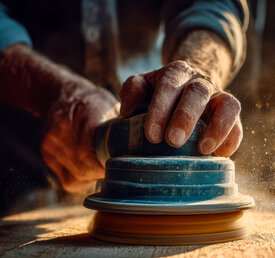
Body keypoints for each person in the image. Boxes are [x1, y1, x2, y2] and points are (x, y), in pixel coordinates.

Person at [0, 0, 248, 204]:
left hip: (140, 133)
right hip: (17, 142)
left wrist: (199, 73)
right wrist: (50, 90)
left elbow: (211, 6)